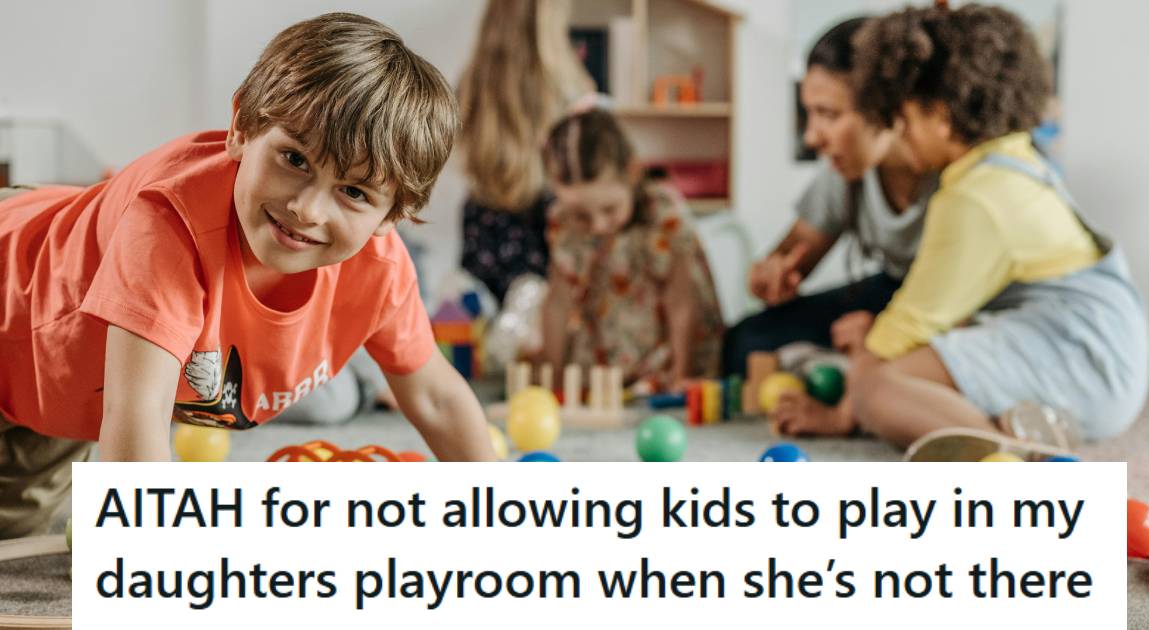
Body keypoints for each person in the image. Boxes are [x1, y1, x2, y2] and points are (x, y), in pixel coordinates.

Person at [0, 13, 496, 539]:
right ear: (241, 127)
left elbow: (436, 398)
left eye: (354, 193)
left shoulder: (380, 270)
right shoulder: (169, 226)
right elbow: (138, 423)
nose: (307, 208)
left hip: (52, 391)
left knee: (16, 529)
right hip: (14, 283)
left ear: (393, 215)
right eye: (294, 159)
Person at [776, 4, 1149, 447]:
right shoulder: (1011, 162)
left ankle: (1012, 454)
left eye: (906, 118)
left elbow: (903, 330)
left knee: (874, 385)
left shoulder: (974, 196)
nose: (899, 131)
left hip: (1081, 357)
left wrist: (844, 412)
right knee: (892, 370)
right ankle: (1020, 422)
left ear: (941, 115)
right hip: (1093, 349)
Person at [721, 17, 938, 378]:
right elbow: (797, 250)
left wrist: (886, 334)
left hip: (954, 305)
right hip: (891, 288)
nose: (811, 137)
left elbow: (965, 303)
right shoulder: (847, 170)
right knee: (746, 340)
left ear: (887, 107)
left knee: (905, 357)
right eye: (810, 114)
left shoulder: (955, 173)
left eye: (829, 114)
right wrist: (771, 271)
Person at [539, 109, 723, 388]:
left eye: (609, 209)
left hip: (665, 351)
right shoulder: (563, 222)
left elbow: (682, 302)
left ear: (633, 173)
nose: (598, 226)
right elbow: (557, 303)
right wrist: (552, 377)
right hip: (604, 353)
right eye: (581, 215)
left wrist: (681, 375)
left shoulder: (662, 212)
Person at [456, 0, 595, 303]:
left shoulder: (473, 81)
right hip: (545, 223)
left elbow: (465, 154)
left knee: (485, 331)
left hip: (485, 222)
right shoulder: (570, 87)